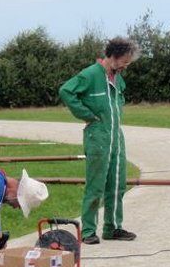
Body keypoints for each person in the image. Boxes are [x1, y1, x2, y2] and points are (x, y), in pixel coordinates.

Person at [59, 36, 139, 245]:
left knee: (117, 184)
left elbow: (117, 102)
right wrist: (85, 114)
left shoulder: (118, 77)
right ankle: (88, 231)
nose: (126, 65)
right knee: (96, 185)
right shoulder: (90, 74)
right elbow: (66, 91)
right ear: (114, 55)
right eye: (125, 60)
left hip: (116, 137)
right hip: (97, 136)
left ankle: (112, 228)